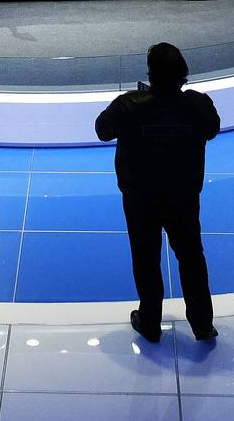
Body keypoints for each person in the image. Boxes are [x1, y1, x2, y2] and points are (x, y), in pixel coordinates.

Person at [95, 43, 219, 343]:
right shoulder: (198, 105)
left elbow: (101, 129)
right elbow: (213, 129)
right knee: (191, 257)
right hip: (183, 196)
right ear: (183, 74)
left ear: (151, 73)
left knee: (146, 259)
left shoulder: (129, 104)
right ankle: (202, 325)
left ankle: (150, 322)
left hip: (141, 199)